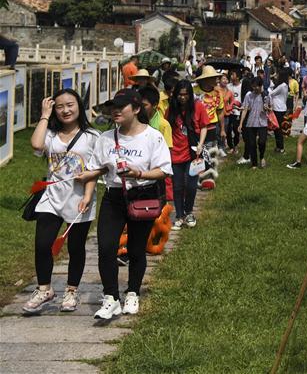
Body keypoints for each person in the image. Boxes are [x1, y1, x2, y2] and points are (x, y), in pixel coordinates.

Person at [93, 89, 172, 319]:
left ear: (136, 109)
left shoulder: (152, 136)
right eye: (113, 107)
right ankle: (110, 297)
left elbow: (164, 170)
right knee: (106, 248)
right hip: (114, 197)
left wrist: (140, 173)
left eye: (121, 107)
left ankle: (133, 292)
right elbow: (97, 166)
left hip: (142, 196)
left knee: (137, 249)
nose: (115, 111)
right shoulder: (106, 138)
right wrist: (85, 178)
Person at [24, 90, 102, 314]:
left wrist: (88, 195)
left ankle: (71, 291)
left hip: (79, 200)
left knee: (76, 247)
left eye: (70, 105)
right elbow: (37, 145)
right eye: (59, 106)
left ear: (79, 105)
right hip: (51, 198)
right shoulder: (50, 134)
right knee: (42, 244)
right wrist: (44, 115)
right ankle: (44, 289)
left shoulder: (92, 136)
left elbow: (94, 169)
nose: (66, 110)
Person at [166, 80, 209, 230]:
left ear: (190, 95)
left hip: (193, 153)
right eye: (180, 95)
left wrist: (200, 144)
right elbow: (166, 127)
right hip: (175, 153)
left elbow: (204, 126)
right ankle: (179, 215)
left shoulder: (198, 106)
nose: (183, 98)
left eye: (185, 95)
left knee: (191, 185)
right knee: (177, 186)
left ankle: (189, 211)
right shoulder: (171, 108)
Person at [238, 77, 270, 169]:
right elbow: (244, 109)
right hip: (251, 122)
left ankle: (262, 156)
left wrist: (267, 109)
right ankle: (254, 164)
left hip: (262, 122)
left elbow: (270, 108)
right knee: (252, 144)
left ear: (261, 86)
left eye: (257, 86)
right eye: (253, 86)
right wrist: (241, 123)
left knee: (262, 142)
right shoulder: (249, 95)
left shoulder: (266, 95)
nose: (255, 88)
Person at [193, 65, 224, 153]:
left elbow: (220, 112)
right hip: (196, 127)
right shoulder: (193, 91)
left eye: (216, 77)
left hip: (211, 128)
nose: (216, 80)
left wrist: (222, 129)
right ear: (205, 79)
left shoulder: (218, 93)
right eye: (213, 78)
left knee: (210, 153)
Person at [269, 68, 289, 153]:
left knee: (277, 129)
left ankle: (280, 147)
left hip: (278, 109)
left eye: (278, 75)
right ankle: (278, 146)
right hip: (280, 108)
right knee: (277, 129)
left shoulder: (282, 86)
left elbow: (271, 94)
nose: (276, 76)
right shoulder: (284, 85)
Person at [225, 71, 243, 154]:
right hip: (229, 112)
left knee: (236, 130)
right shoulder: (228, 86)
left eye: (233, 74)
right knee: (228, 130)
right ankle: (230, 146)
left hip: (238, 112)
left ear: (238, 77)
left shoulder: (242, 86)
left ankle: (235, 145)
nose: (231, 76)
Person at [217, 74, 234, 153]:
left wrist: (230, 107)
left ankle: (223, 147)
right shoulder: (216, 90)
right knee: (217, 131)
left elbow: (232, 102)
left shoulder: (229, 91)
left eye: (226, 79)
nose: (225, 81)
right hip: (217, 114)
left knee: (224, 131)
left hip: (226, 115)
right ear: (219, 80)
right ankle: (218, 146)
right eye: (223, 79)